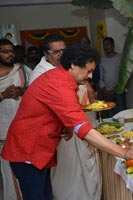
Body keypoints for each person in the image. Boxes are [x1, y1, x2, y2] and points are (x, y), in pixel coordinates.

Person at [1, 44, 133, 200]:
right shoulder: (58, 84)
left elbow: (56, 111)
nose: (90, 76)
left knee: (45, 195)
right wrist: (123, 152)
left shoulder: (61, 78)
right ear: (74, 65)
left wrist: (66, 126)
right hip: (27, 149)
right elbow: (83, 128)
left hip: (38, 149)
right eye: (88, 71)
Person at [29, 34, 99, 200]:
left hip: (67, 128)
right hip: (46, 139)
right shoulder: (43, 75)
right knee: (61, 176)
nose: (61, 54)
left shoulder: (66, 72)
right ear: (46, 54)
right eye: (56, 51)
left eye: (63, 50)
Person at [0, 39, 32, 200]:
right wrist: (3, 95)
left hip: (25, 130)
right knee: (9, 173)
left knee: (28, 172)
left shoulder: (23, 71)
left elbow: (37, 90)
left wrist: (24, 90)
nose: (9, 54)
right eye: (4, 51)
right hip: (3, 132)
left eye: (11, 50)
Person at [98, 37, 126, 117]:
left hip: (118, 91)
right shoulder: (102, 60)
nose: (106, 47)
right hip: (107, 93)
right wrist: (105, 90)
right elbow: (101, 77)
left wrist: (114, 89)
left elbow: (123, 76)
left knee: (122, 115)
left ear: (113, 45)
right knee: (111, 116)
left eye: (108, 44)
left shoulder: (119, 58)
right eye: (104, 45)